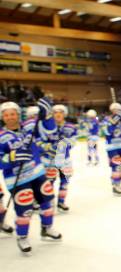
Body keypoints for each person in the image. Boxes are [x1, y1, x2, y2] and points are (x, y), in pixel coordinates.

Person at [0, 99, 62, 253]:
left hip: (37, 172)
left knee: (47, 202)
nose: (10, 117)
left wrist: (47, 116)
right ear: (2, 117)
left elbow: (50, 130)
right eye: (6, 115)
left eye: (13, 114)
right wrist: (11, 158)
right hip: (17, 178)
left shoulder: (29, 127)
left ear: (18, 115)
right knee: (25, 208)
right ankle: (22, 236)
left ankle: (46, 228)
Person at [38, 104, 77, 212]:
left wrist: (64, 145)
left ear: (64, 114)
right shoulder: (46, 127)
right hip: (49, 160)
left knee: (65, 181)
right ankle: (49, 202)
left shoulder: (70, 127)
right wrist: (47, 147)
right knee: (49, 182)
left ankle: (61, 202)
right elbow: (40, 141)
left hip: (65, 160)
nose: (58, 114)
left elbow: (73, 141)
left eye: (60, 112)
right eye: (55, 112)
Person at [102, 102, 121, 195]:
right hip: (112, 146)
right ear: (112, 110)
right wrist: (113, 122)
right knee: (116, 165)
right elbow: (107, 132)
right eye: (115, 110)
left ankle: (118, 184)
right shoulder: (106, 119)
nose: (117, 112)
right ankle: (115, 185)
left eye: (119, 111)